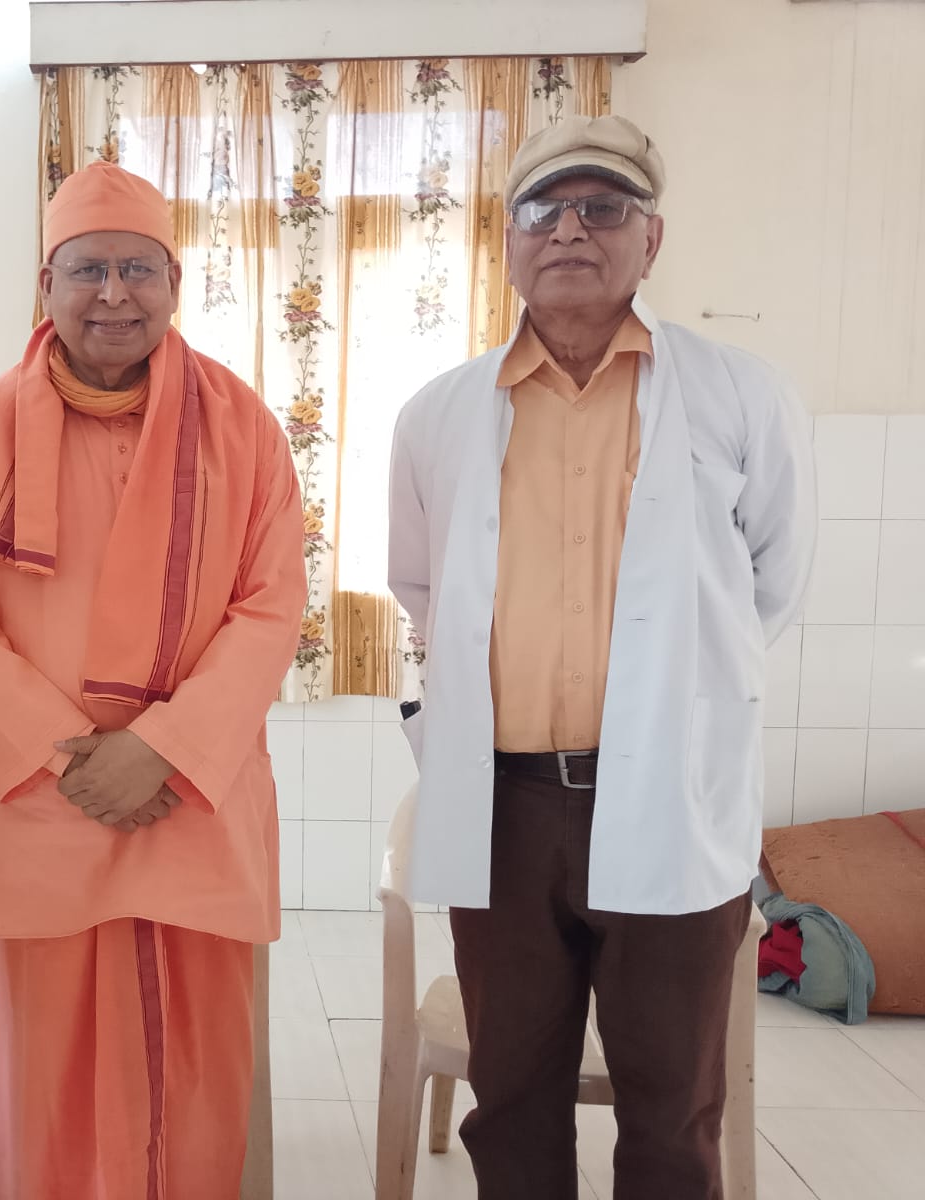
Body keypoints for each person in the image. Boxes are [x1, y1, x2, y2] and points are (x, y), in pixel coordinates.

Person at [386, 114, 816, 1199]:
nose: (570, 230)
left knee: (670, 1110)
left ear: (650, 238)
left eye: (603, 207)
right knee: (511, 1099)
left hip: (672, 794)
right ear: (507, 242)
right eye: (543, 208)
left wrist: (677, 697)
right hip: (507, 806)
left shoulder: (740, 393)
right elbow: (422, 587)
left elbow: (770, 582)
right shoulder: (438, 413)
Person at [0, 161, 307, 1199]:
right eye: (88, 269)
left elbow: (271, 606)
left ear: (176, 283)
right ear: (46, 285)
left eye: (139, 269)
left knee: (196, 1081)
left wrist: (162, 751)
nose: (114, 294)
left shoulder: (245, 427)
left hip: (189, 802)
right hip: (43, 804)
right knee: (46, 1082)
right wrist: (77, 762)